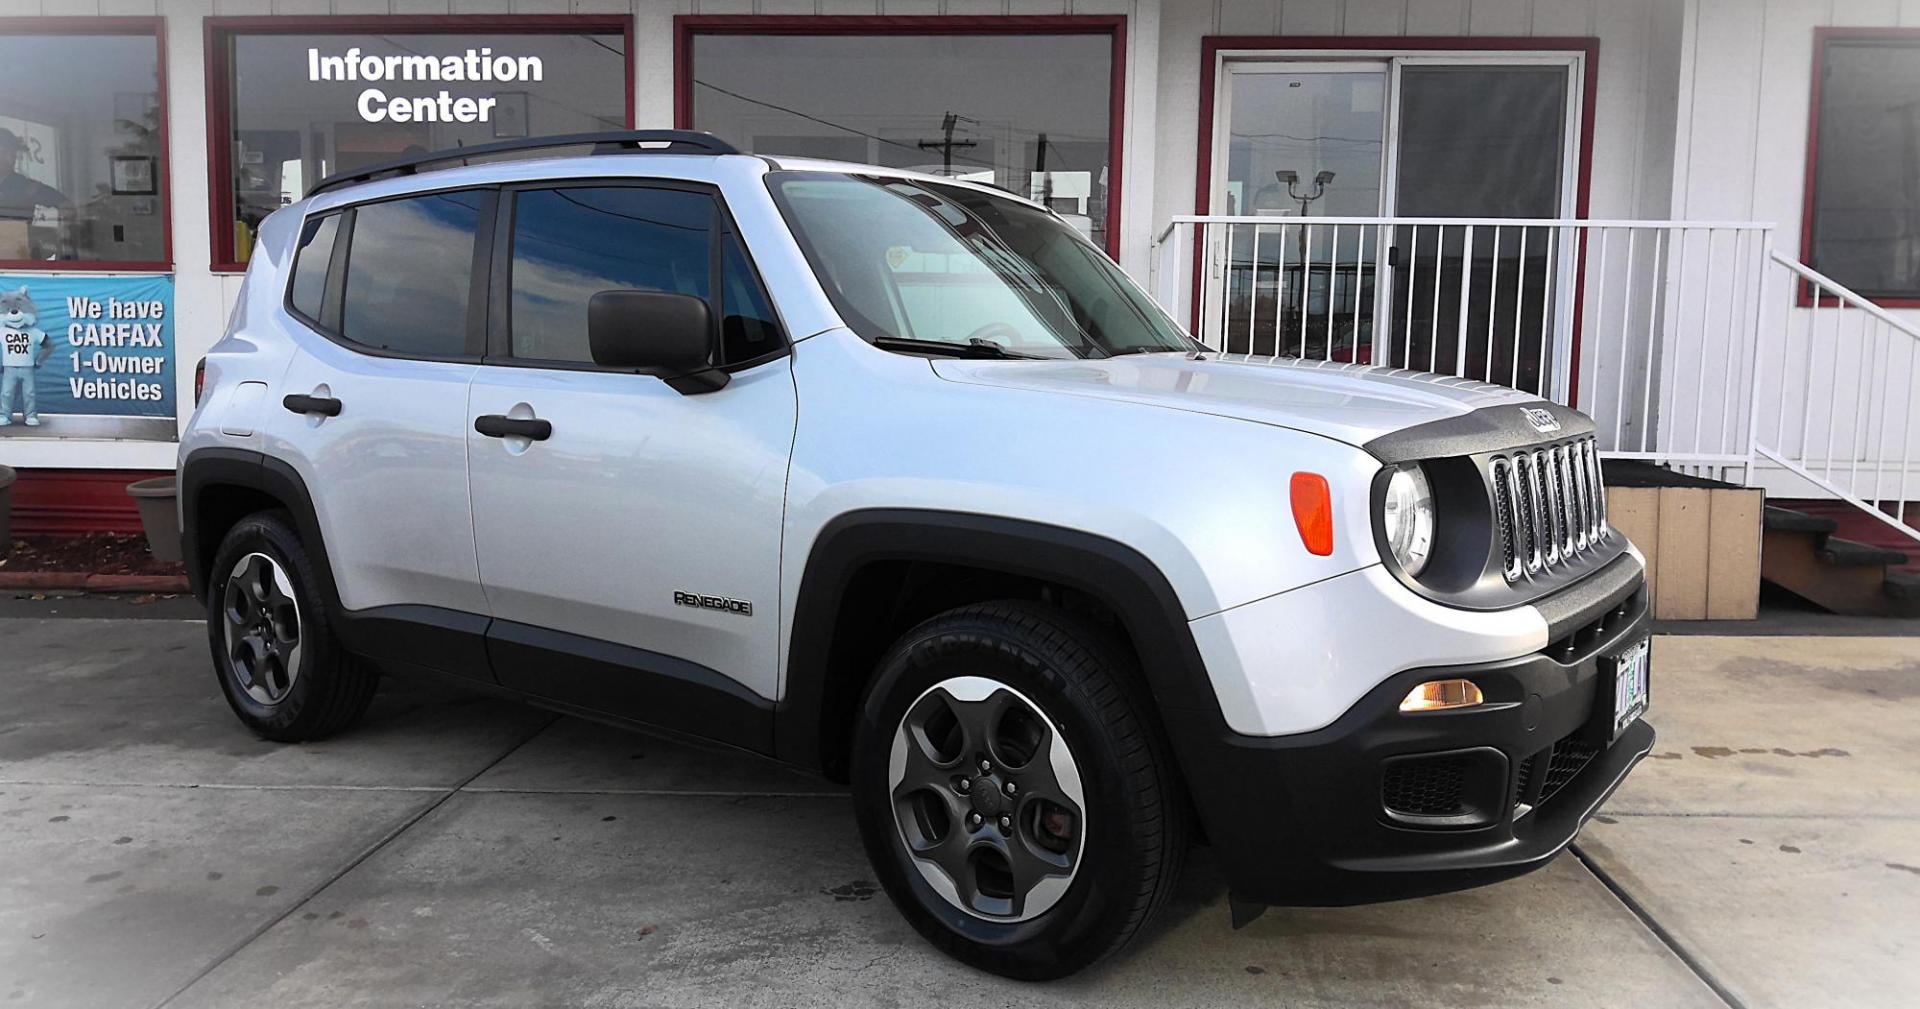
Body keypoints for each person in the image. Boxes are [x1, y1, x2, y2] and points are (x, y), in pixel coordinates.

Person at [0, 128, 67, 222]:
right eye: (4, 152)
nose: (11, 159)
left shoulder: (26, 186)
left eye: (13, 154)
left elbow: (66, 206)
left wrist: (65, 226)